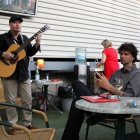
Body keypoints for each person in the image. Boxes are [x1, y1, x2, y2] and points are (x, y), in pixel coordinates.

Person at [61, 42, 140, 140]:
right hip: (105, 100)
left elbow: (130, 97)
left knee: (76, 100)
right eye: (121, 54)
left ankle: (97, 114)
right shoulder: (117, 72)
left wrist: (109, 87)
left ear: (133, 57)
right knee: (76, 83)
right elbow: (104, 90)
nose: (122, 56)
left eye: (126, 54)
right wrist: (101, 88)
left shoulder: (137, 74)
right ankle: (96, 113)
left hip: (119, 108)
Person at [0, 15, 41, 135]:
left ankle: (27, 123)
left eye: (19, 23)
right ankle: (12, 124)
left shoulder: (25, 39)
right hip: (8, 74)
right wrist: (3, 54)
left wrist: (37, 43)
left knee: (27, 99)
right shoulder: (3, 38)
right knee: (10, 101)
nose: (18, 24)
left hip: (23, 74)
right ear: (10, 24)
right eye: (15, 22)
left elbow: (30, 52)